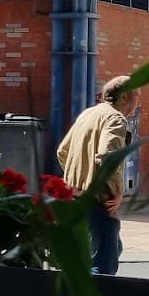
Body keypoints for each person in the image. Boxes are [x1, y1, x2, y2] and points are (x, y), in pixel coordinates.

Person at [57, 75, 139, 277]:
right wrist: (117, 192)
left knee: (110, 247)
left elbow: (62, 151)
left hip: (75, 195)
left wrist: (77, 177)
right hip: (98, 198)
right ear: (123, 98)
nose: (138, 102)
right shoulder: (115, 118)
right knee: (102, 262)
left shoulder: (89, 114)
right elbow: (108, 156)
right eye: (136, 96)